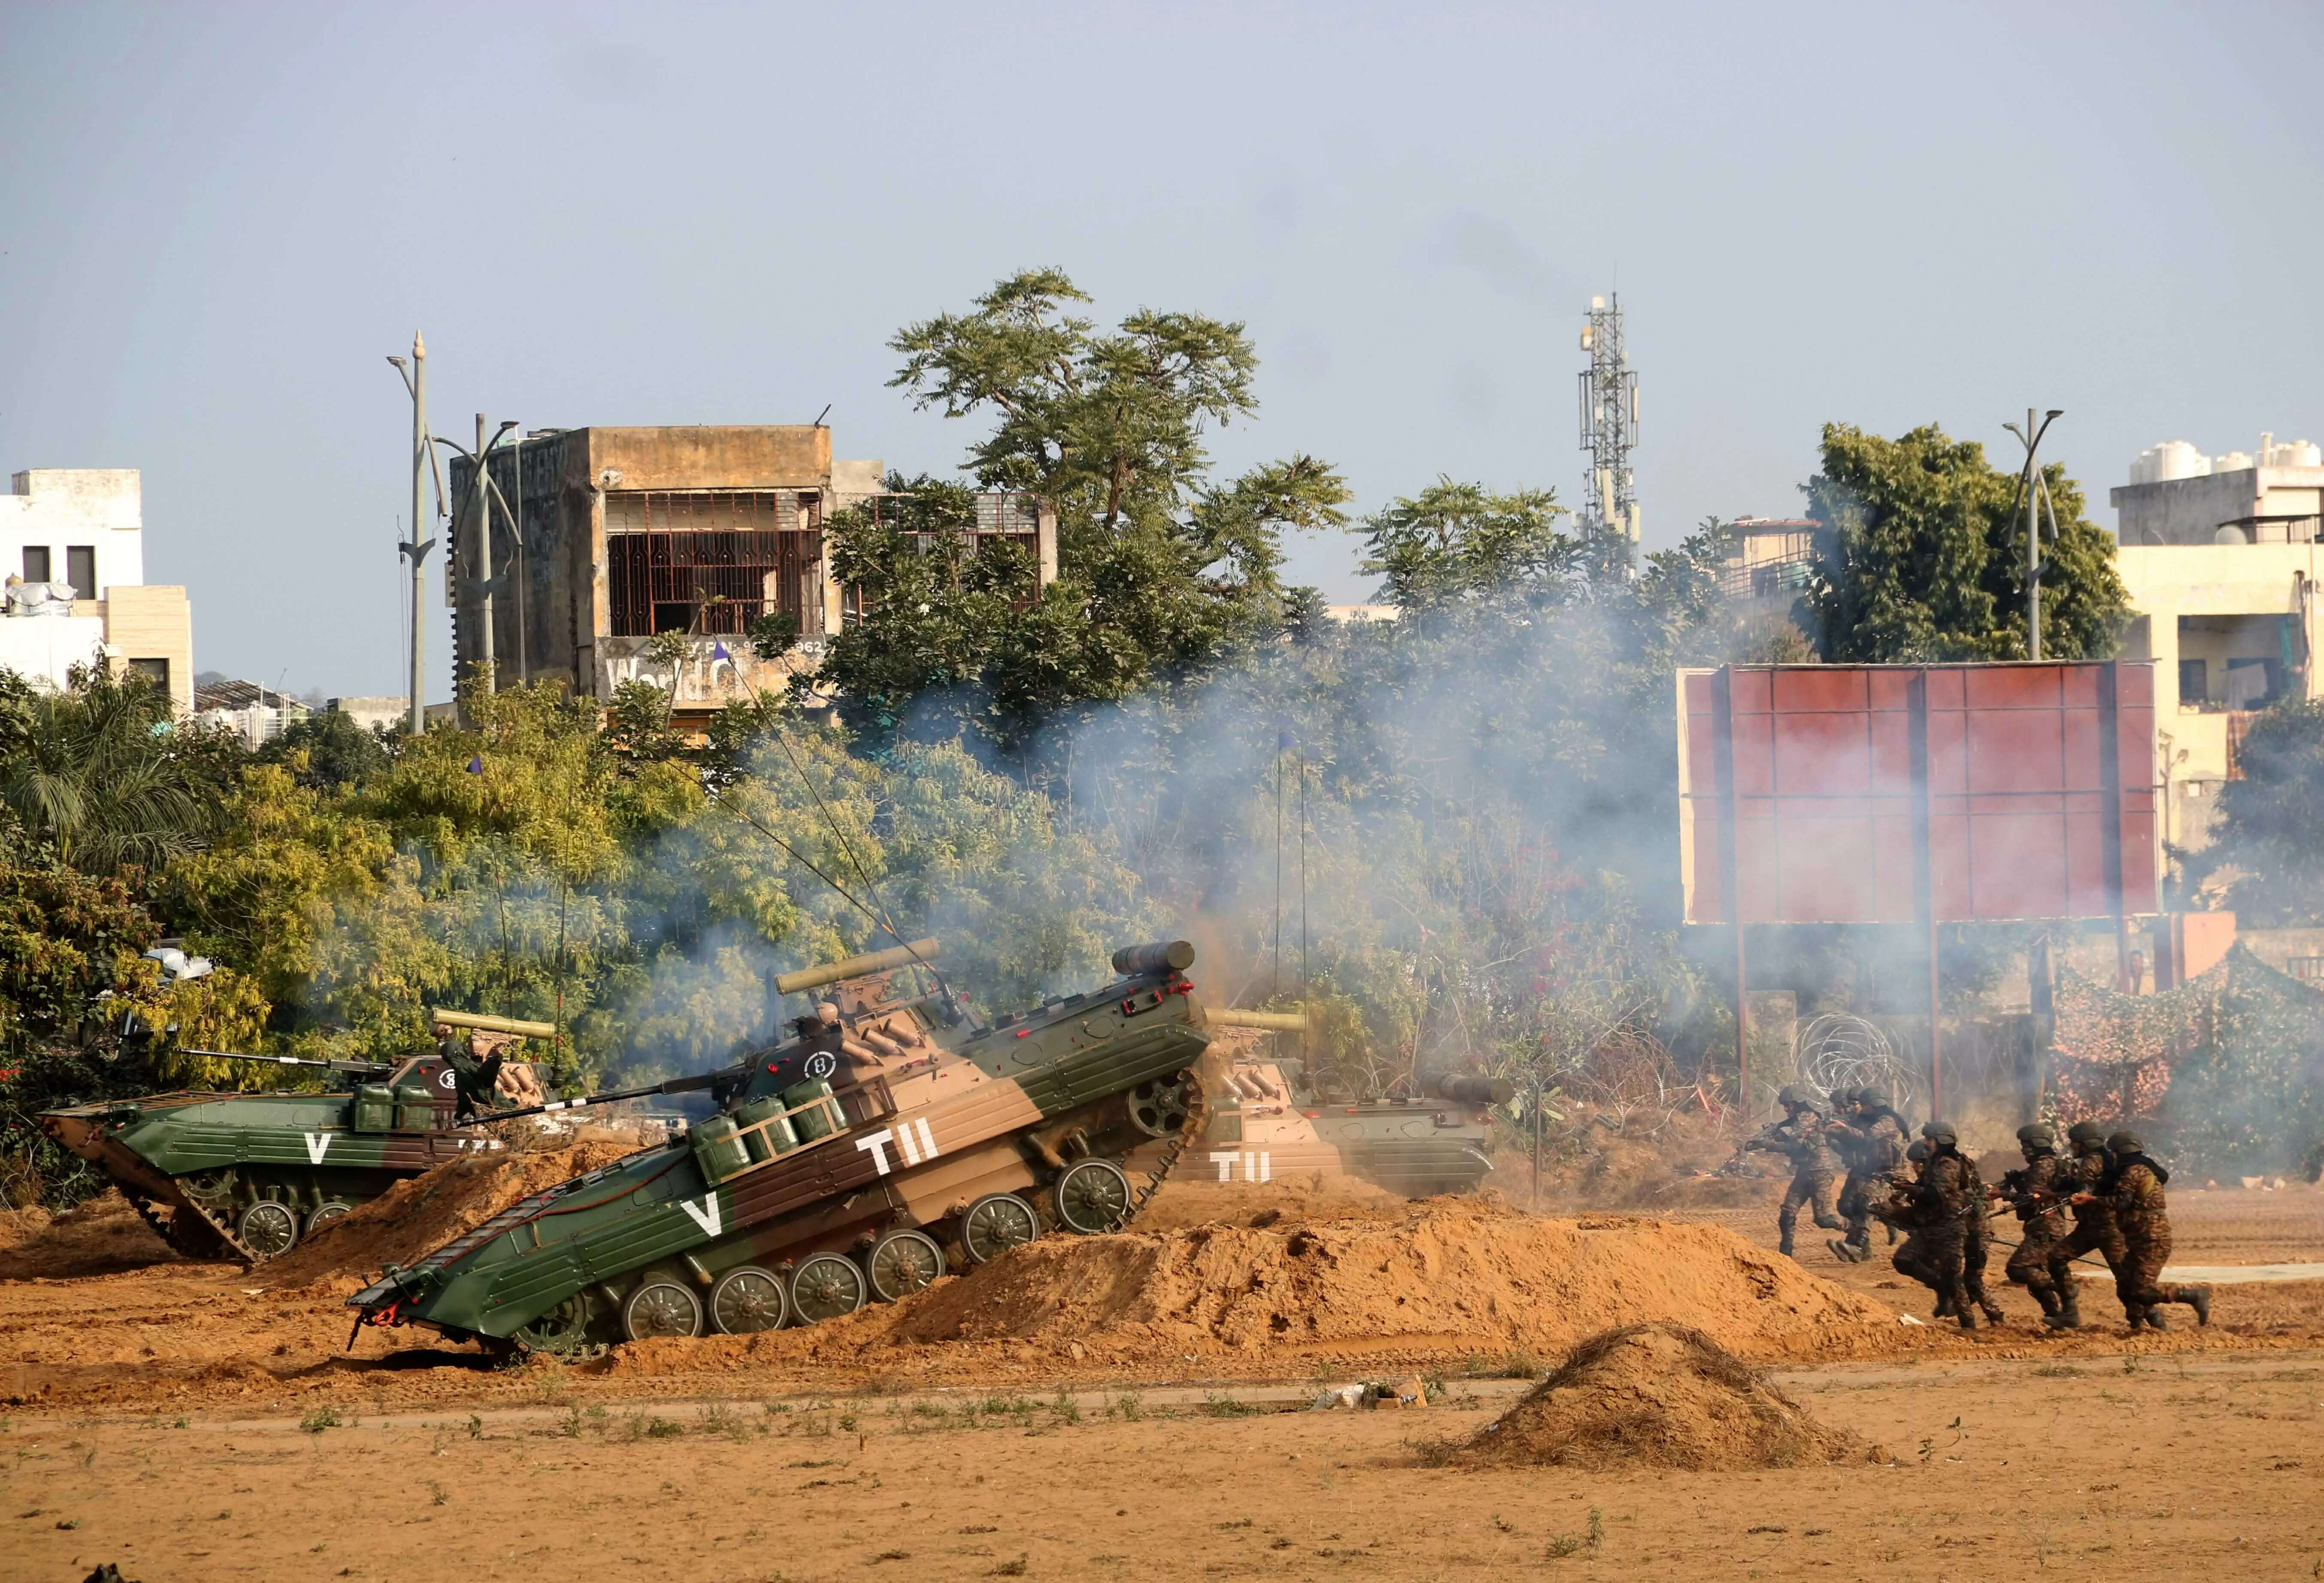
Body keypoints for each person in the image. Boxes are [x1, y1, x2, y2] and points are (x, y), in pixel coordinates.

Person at [2076, 1130, 2212, 1330]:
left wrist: (2092, 1200)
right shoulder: (2141, 1169)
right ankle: (2143, 1328)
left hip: (2152, 1239)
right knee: (2125, 1288)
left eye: (2113, 1153)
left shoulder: (2134, 1172)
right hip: (2140, 1238)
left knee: (2142, 1291)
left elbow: (2122, 1203)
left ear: (2119, 1153)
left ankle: (2192, 1296)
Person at [1915, 1120, 2003, 1328]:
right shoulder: (1938, 1165)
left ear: (1941, 1141)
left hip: (1976, 1227)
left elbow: (1935, 1195)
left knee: (1970, 1278)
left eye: (1930, 1139)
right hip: (1962, 1225)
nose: (1926, 1143)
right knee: (1960, 1276)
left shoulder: (1950, 1165)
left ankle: (1992, 1319)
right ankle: (1990, 1318)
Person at [2044, 1120, 2130, 1331]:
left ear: (2084, 1144)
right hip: (2090, 1227)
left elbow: (2082, 1195)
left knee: (2127, 1279)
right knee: (2056, 1258)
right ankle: (2070, 1314)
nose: (2072, 1147)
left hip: (2107, 1228)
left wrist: (2054, 1195)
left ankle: (2154, 1321)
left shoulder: (2091, 1163)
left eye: (2074, 1143)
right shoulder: (2105, 1159)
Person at [1744, 1085, 1846, 1258]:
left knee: (1824, 1219)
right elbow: (1796, 1143)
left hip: (1819, 1173)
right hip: (1805, 1173)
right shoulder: (1798, 1119)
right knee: (1787, 1214)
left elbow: (1795, 1147)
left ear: (1797, 1103)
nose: (1786, 1109)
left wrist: (1765, 1144)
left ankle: (1853, 1227)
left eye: (1788, 1105)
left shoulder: (1807, 1118)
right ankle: (1785, 1256)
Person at [1989, 1122, 2076, 1324]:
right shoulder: (2044, 1165)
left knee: (2017, 1269)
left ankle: (2064, 1288)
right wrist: (2015, 1180)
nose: (2023, 1150)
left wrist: (2001, 1194)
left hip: (2045, 1228)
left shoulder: (2042, 1166)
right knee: (2035, 1277)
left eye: (2026, 1145)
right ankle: (2056, 1318)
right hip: (2043, 1227)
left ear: (2037, 1144)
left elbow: (2030, 1197)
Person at [1828, 1085, 1911, 1262]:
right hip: (1872, 1169)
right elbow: (1854, 1144)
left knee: (1866, 1202)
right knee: (1847, 1206)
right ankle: (1864, 1250)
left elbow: (1868, 1136)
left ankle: (1857, 1246)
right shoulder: (1868, 1119)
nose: (1860, 1108)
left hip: (1892, 1173)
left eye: (1863, 1104)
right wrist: (1831, 1134)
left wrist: (1845, 1129)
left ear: (1872, 1105)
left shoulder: (1888, 1121)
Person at [435, 1023, 508, 1123]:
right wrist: (495, 1060)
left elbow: (464, 1099)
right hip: (502, 1110)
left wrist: (459, 1115)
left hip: (490, 1116)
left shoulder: (459, 1075)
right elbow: (486, 1079)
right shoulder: (466, 1068)